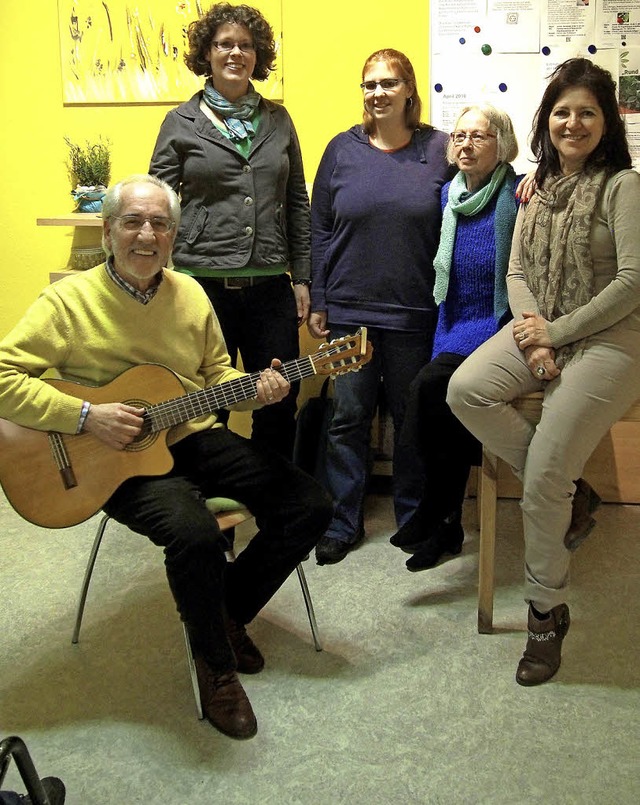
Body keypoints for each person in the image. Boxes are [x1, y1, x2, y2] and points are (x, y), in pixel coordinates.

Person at [0, 175, 332, 739]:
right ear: (108, 231)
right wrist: (87, 418)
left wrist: (257, 388)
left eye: (160, 224)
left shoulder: (190, 293)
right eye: (133, 221)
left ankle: (223, 614)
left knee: (310, 503)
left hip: (192, 434)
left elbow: (216, 376)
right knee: (196, 534)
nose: (147, 235)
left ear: (174, 235)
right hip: (109, 456)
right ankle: (216, 668)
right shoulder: (67, 301)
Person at [447, 58, 640, 685]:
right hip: (544, 328)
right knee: (466, 390)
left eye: (587, 112)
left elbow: (634, 282)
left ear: (606, 120)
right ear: (546, 120)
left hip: (611, 339)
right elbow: (519, 272)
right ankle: (568, 491)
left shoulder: (623, 188)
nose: (573, 123)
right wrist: (534, 341)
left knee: (542, 478)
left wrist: (555, 334)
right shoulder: (537, 185)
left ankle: (544, 612)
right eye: (562, 112)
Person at [309, 48, 454, 565]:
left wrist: (522, 182)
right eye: (370, 84)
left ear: (409, 90)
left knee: (411, 420)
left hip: (415, 314)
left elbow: (482, 181)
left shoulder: (438, 149)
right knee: (347, 418)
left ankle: (414, 521)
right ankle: (343, 521)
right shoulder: (340, 150)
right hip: (349, 312)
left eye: (390, 83)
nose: (378, 92)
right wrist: (320, 297)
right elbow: (320, 228)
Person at [149, 2, 311, 459]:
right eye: (224, 44)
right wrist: (158, 276)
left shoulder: (278, 120)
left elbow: (297, 201)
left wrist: (302, 276)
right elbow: (157, 205)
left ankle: (276, 508)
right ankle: (210, 519)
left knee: (278, 399)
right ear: (208, 53)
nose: (235, 53)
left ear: (257, 55)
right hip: (202, 287)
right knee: (205, 406)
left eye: (245, 45)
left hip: (269, 289)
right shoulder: (181, 122)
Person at [389, 104, 520, 572]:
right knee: (440, 410)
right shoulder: (449, 195)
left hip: (496, 327)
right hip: (452, 324)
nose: (465, 144)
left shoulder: (519, 194)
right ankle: (448, 527)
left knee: (426, 390)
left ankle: (435, 509)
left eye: (478, 136)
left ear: (501, 144)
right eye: (459, 136)